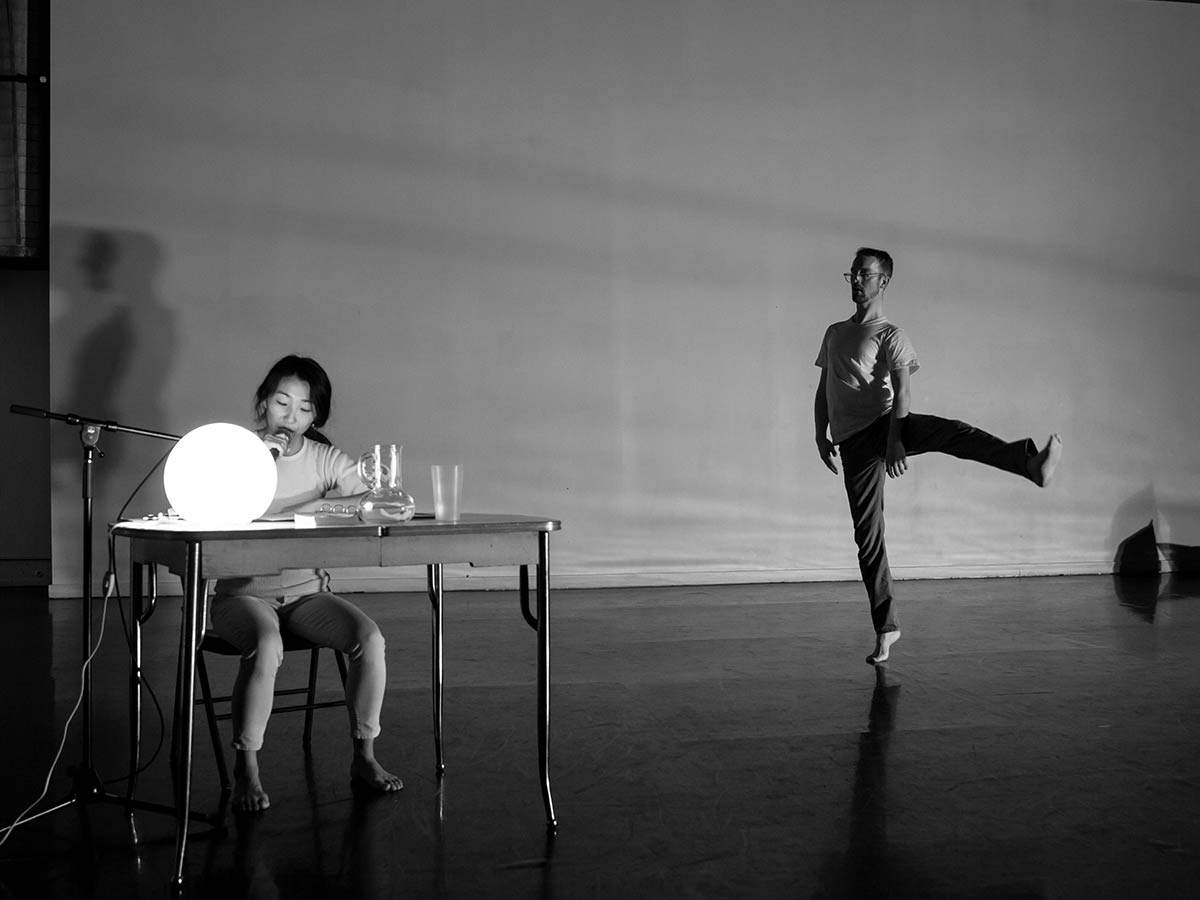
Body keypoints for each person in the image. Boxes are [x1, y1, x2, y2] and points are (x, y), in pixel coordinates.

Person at [814, 248, 1062, 665]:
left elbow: (904, 392)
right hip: (853, 442)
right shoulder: (835, 332)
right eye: (852, 273)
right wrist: (820, 436)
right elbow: (823, 390)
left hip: (887, 423)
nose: (856, 280)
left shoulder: (891, 334)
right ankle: (887, 628)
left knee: (953, 433)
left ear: (883, 281)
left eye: (864, 273)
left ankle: (1028, 463)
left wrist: (896, 440)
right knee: (868, 538)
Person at [211, 355, 404, 813]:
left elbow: (376, 498)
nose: (290, 417)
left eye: (304, 409)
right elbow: (220, 508)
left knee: (369, 638)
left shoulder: (324, 457)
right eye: (281, 403)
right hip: (243, 594)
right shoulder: (235, 452)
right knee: (266, 642)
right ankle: (247, 770)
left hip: (306, 595)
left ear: (316, 416)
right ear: (263, 403)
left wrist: (307, 510)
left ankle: (364, 756)